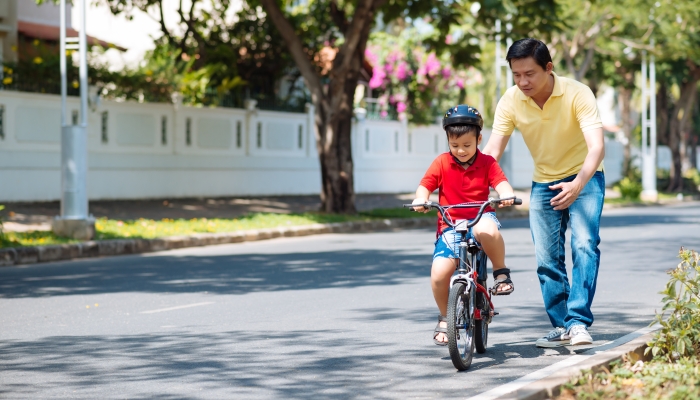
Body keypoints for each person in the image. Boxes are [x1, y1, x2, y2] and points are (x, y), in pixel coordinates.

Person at [482, 38, 605, 347]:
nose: (522, 82)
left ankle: (578, 322)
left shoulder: (578, 93)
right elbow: (493, 150)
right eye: (516, 74)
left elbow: (597, 147)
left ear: (549, 68)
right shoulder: (511, 100)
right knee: (546, 259)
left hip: (585, 178)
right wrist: (469, 183)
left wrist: (577, 184)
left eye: (530, 74)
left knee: (584, 245)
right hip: (544, 182)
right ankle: (563, 325)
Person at [412, 104, 517, 346]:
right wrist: (421, 198)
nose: (460, 151)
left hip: (480, 217)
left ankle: (501, 273)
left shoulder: (488, 162)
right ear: (448, 140)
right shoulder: (441, 163)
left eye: (467, 145)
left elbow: (501, 183)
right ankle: (444, 317)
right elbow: (425, 186)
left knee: (486, 230)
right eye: (454, 145)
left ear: (479, 139)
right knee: (439, 273)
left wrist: (506, 194)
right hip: (451, 225)